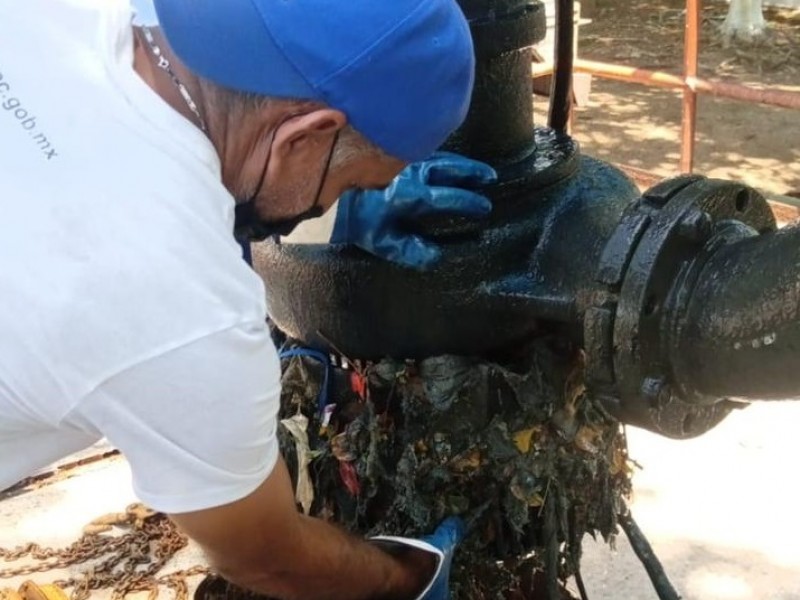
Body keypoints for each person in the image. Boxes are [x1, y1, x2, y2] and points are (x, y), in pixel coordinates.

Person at [0, 0, 496, 598]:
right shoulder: (184, 311)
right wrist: (408, 575)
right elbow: (267, 557)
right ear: (305, 135)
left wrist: (317, 215)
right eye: (352, 185)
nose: (336, 202)